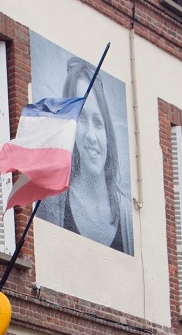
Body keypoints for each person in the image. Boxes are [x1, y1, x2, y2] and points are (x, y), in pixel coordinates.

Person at [53, 56, 131, 253]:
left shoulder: (127, 213)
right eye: (81, 119)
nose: (91, 136)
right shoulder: (53, 204)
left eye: (97, 122)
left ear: (107, 133)